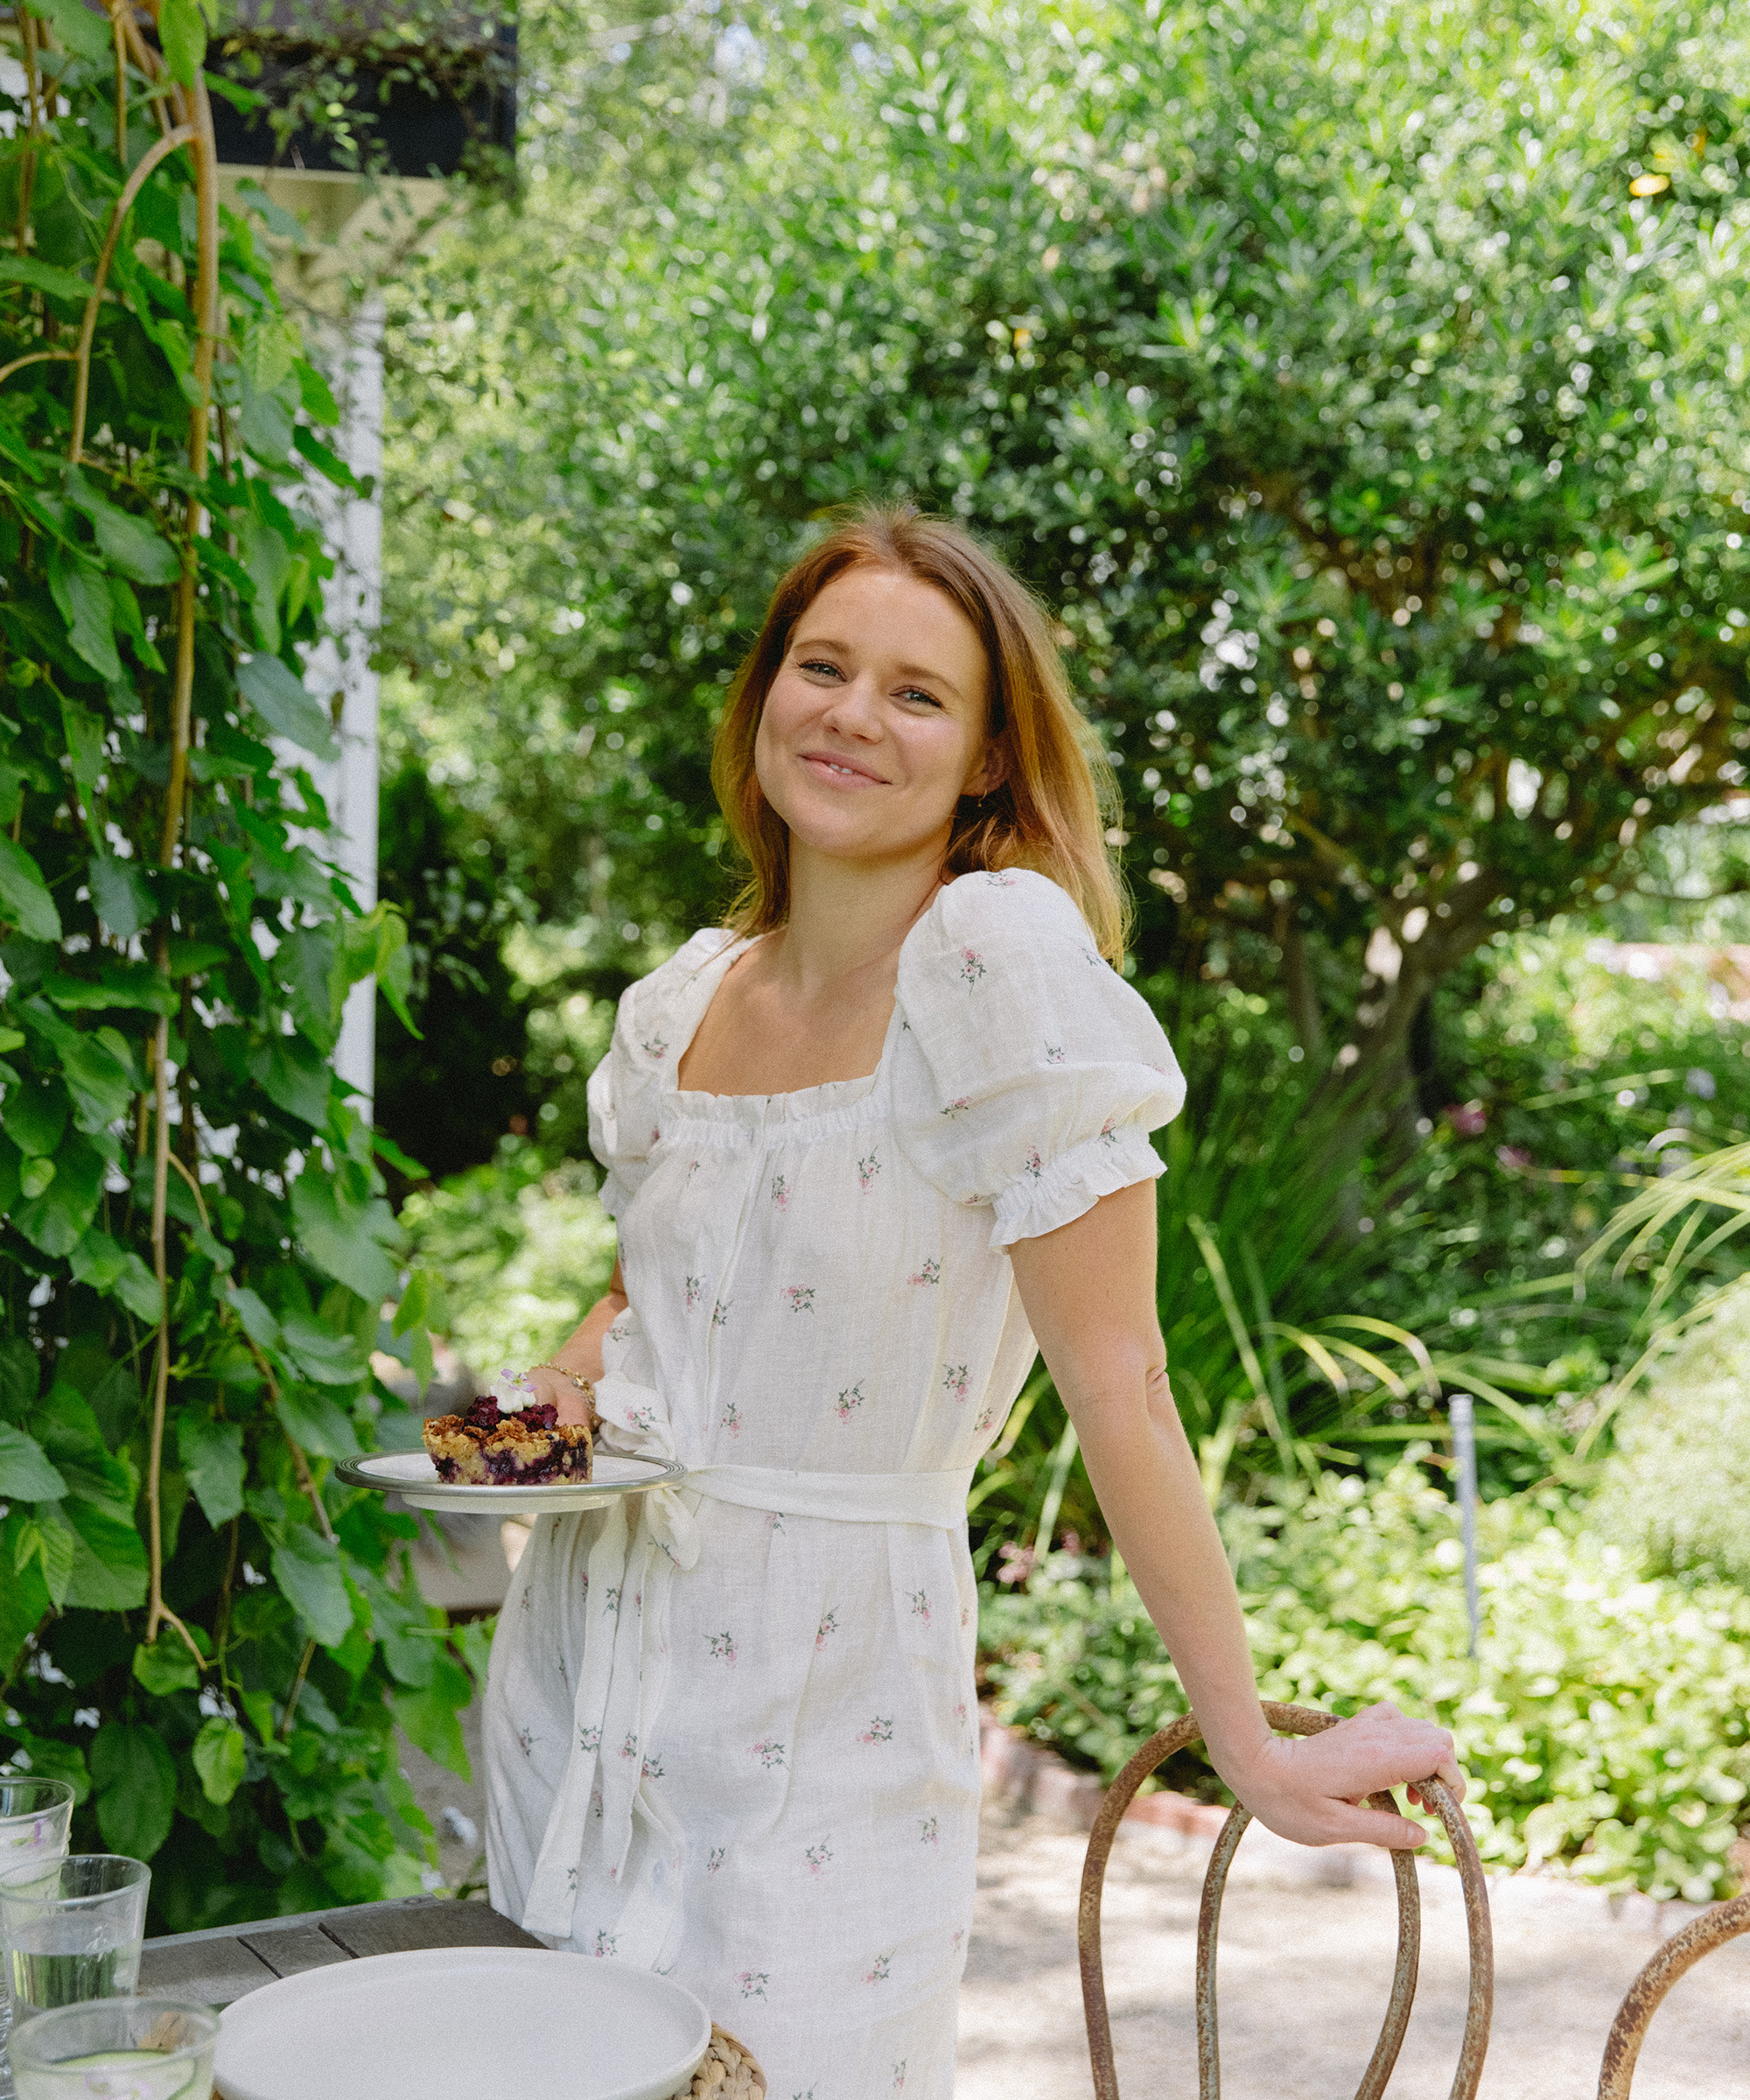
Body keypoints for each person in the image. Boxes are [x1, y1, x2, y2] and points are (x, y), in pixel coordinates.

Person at [483, 505, 1461, 2096]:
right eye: (822, 666)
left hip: (829, 1717)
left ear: (990, 757)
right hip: (583, 1689)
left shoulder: (997, 967)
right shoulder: (683, 1002)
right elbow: (634, 1308)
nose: (854, 715)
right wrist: (493, 1437)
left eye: (918, 693)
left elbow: (1123, 1387)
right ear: (765, 700)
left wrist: (1253, 1744)